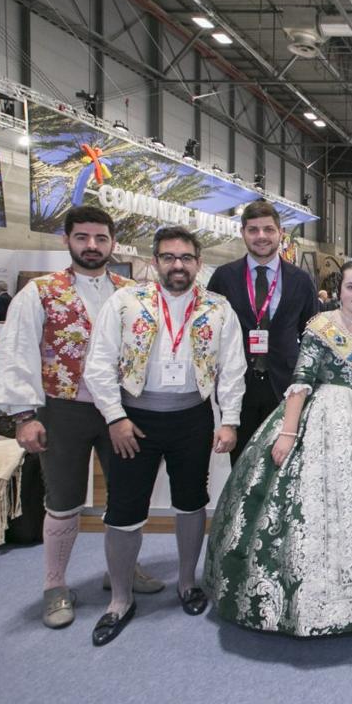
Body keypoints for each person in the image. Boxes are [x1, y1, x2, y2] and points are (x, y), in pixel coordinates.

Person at [205, 258, 352, 634]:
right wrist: (288, 433)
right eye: (351, 287)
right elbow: (302, 379)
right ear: (339, 291)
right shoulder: (322, 326)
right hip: (328, 418)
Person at [0, 205, 158, 629]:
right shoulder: (40, 292)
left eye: (101, 238)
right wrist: (24, 416)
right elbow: (17, 352)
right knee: (63, 500)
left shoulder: (132, 292)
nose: (92, 245)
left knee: (126, 497)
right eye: (82, 237)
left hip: (119, 410)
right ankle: (55, 585)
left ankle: (121, 571)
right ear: (67, 240)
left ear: (112, 243)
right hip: (63, 409)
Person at [84, 225, 246, 646]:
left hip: (192, 418)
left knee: (191, 501)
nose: (178, 265)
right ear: (155, 261)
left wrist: (229, 420)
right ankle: (120, 599)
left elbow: (233, 368)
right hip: (134, 421)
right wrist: (115, 417)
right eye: (169, 257)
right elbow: (99, 363)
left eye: (186, 258)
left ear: (198, 263)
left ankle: (187, 583)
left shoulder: (218, 308)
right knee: (124, 509)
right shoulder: (126, 302)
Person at [206, 201, 318, 457]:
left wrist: (308, 383)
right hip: (238, 387)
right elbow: (211, 332)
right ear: (242, 233)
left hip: (285, 387)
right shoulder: (224, 277)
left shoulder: (301, 280)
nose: (261, 236)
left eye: (268, 229)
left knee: (283, 463)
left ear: (280, 233)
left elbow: (311, 336)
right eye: (253, 230)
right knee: (240, 462)